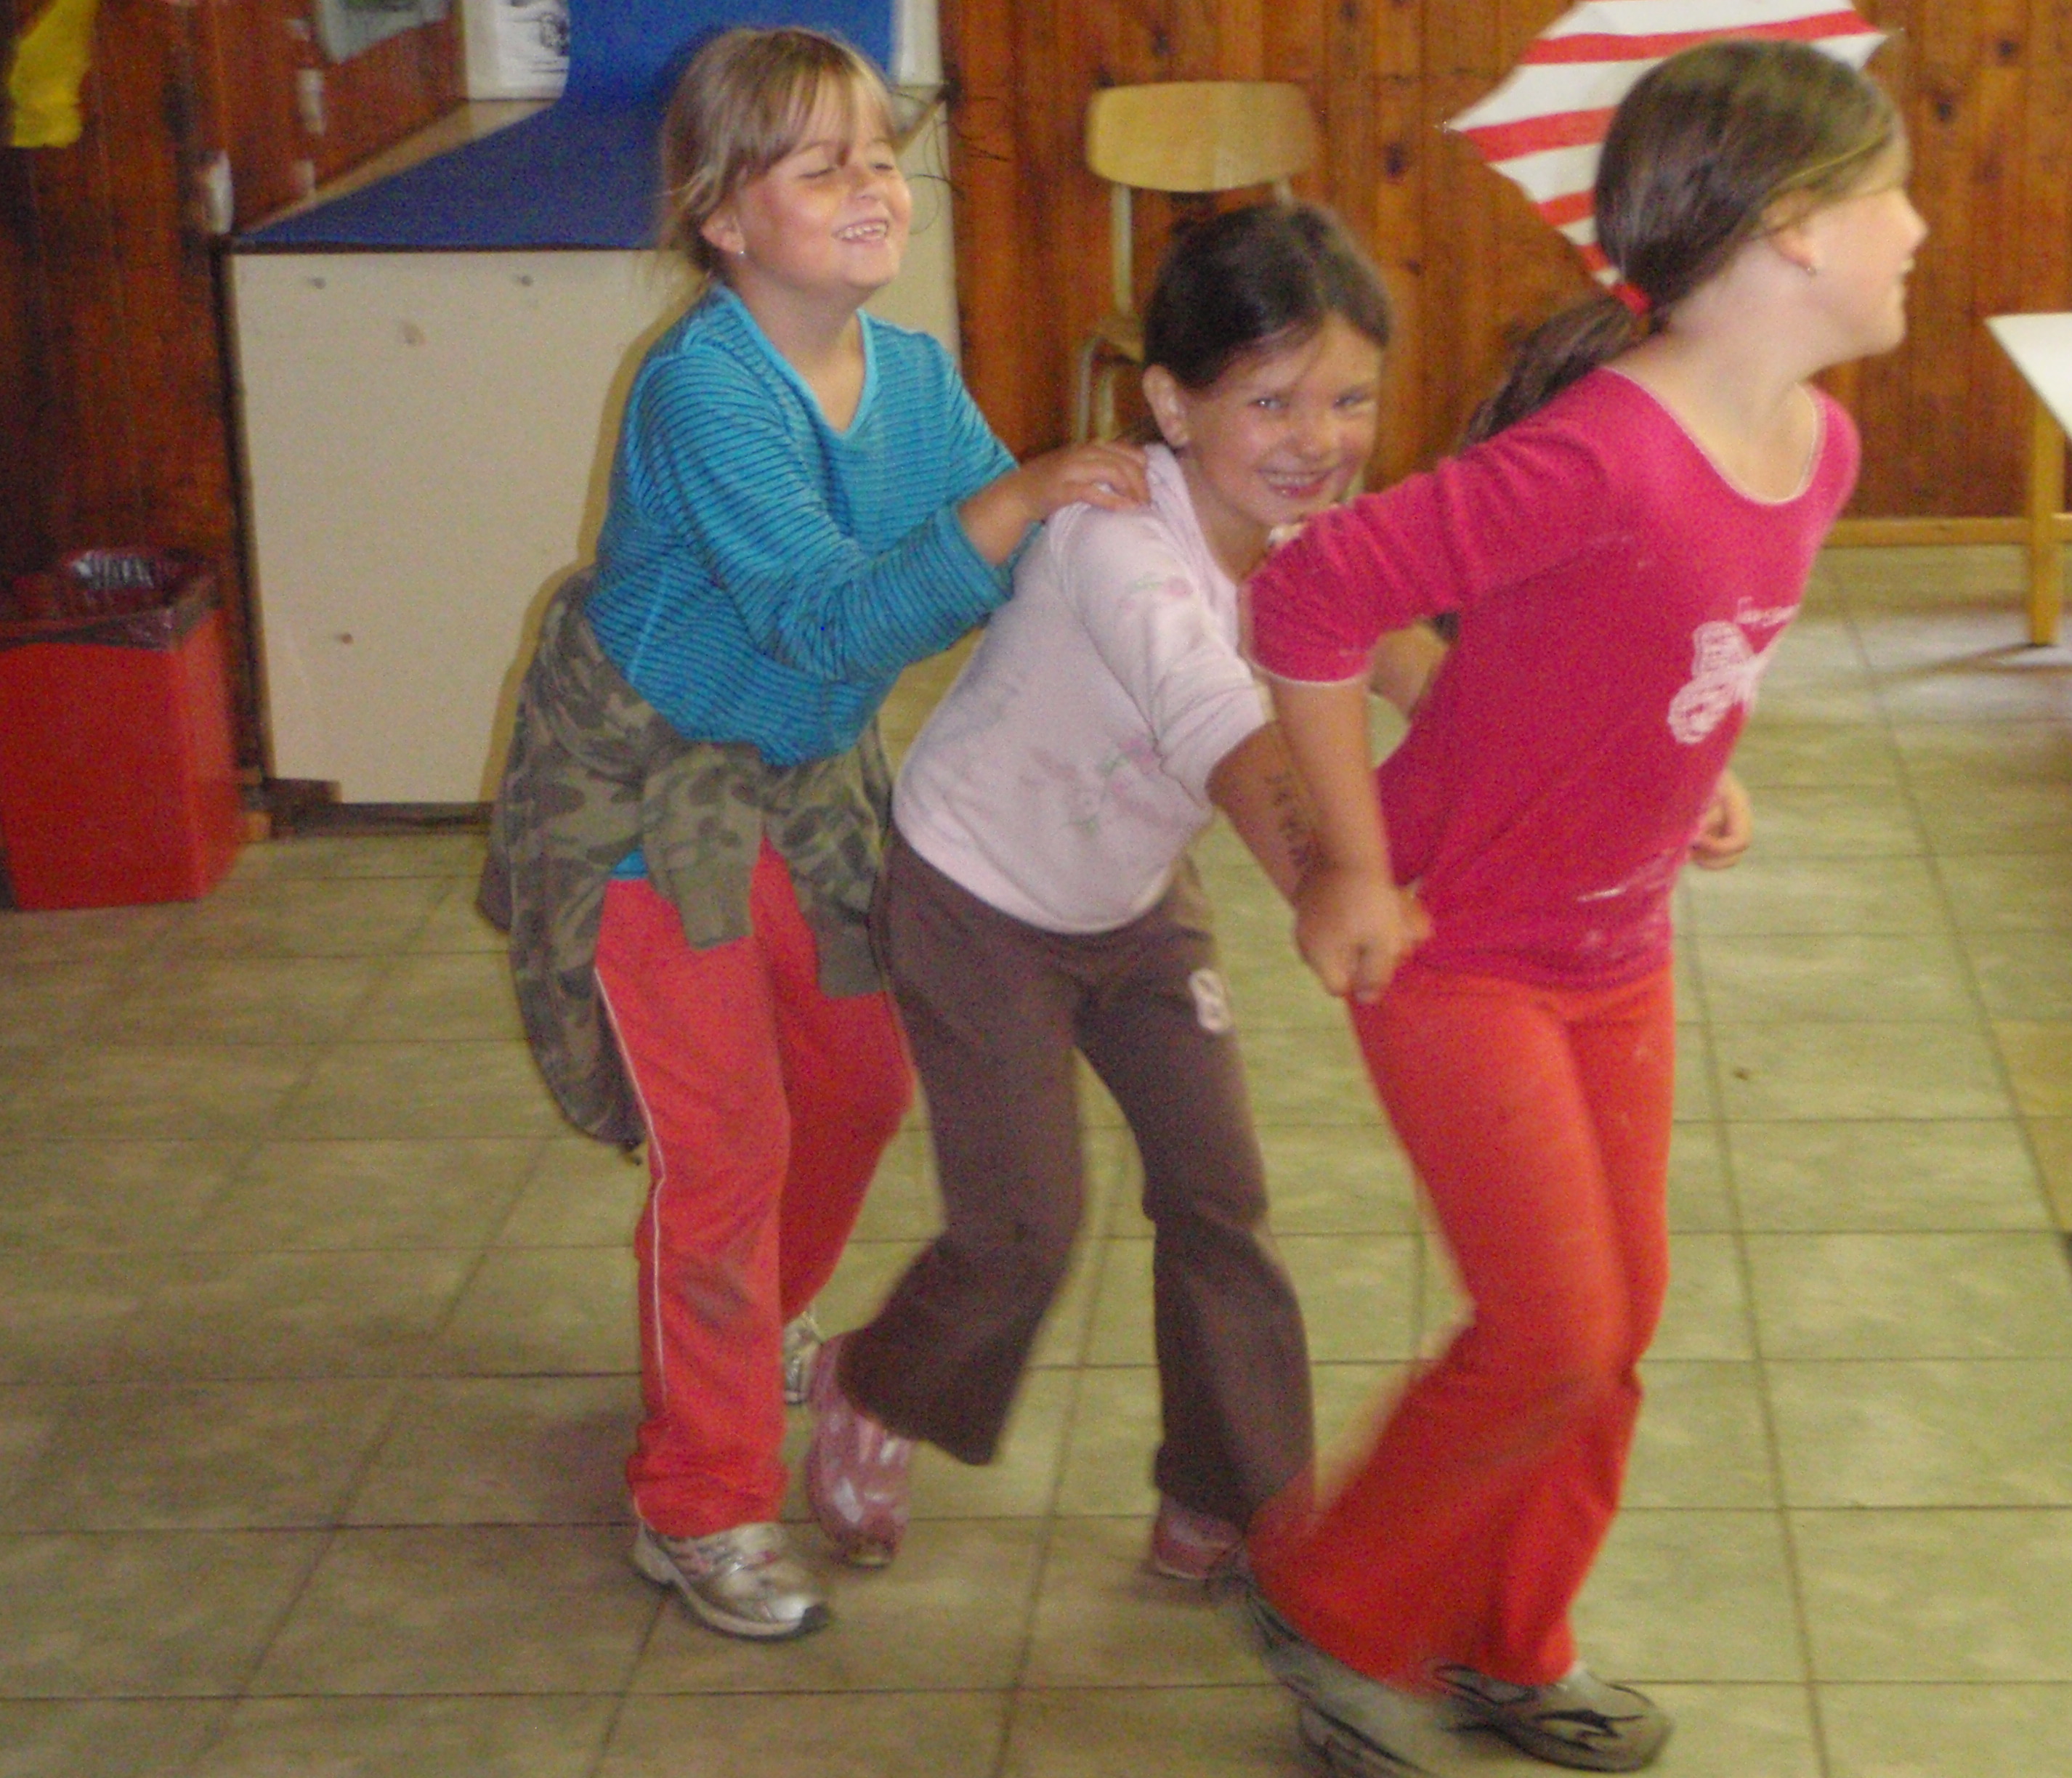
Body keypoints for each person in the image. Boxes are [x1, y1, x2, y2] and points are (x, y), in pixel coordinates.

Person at [1234, 39, 1926, 1776]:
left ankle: (1505, 1638)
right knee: (1550, 1329)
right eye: (1889, 195)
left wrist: (1698, 769)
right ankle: (1333, 1605)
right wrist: (1352, 868)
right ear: (1789, 231)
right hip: (1457, 948)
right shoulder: (1603, 452)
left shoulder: (1819, 447)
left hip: (1617, 951)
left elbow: (1666, 646)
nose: (1918, 228)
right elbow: (1312, 598)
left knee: (1615, 1331)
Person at [479, 25, 1145, 1644]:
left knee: (856, 1081)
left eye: (881, 153)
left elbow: (1021, 558)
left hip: (807, 786)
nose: (873, 185)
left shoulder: (910, 375)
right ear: (723, 215)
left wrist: (1164, 589)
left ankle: (741, 1326)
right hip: (644, 803)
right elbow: (822, 618)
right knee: (726, 1152)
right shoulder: (705, 387)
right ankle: (697, 1499)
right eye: (821, 162)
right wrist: (1020, 502)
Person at [798, 203, 1440, 1583]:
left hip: (1135, 903)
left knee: (1221, 1194)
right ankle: (872, 1383)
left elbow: (1409, 659)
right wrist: (1332, 890)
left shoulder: (1317, 533)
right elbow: (1227, 735)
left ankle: (1231, 1494)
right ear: (1170, 403)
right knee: (1023, 1228)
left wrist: (1549, 766)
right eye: (1269, 401)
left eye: (1349, 399)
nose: (1316, 440)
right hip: (974, 900)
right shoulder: (1116, 541)